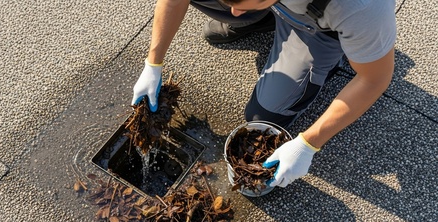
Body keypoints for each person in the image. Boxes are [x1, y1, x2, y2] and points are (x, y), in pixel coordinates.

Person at [131, 0, 397, 189]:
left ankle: (338, 54)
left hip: (316, 27)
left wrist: (309, 144)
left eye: (241, 3)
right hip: (279, 5)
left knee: (262, 116)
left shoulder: (362, 8)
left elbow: (374, 79)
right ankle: (261, 17)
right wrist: (153, 64)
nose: (232, 11)